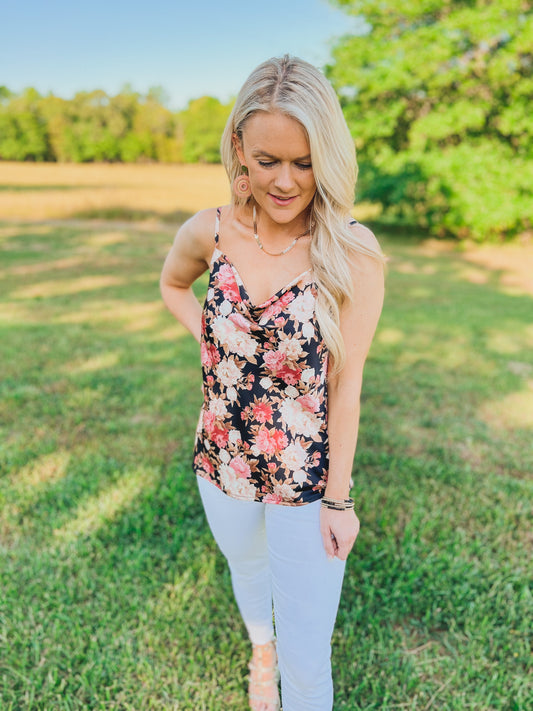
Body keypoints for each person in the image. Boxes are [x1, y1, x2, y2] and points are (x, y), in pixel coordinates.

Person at [160, 55, 385, 711]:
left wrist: (338, 501)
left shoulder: (352, 251)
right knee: (247, 569)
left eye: (304, 162)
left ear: (329, 156)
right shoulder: (209, 231)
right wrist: (208, 336)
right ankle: (261, 648)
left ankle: (286, 664)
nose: (284, 181)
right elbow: (174, 285)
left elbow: (348, 385)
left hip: (304, 480)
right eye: (267, 161)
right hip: (220, 457)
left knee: (309, 663)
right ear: (238, 148)